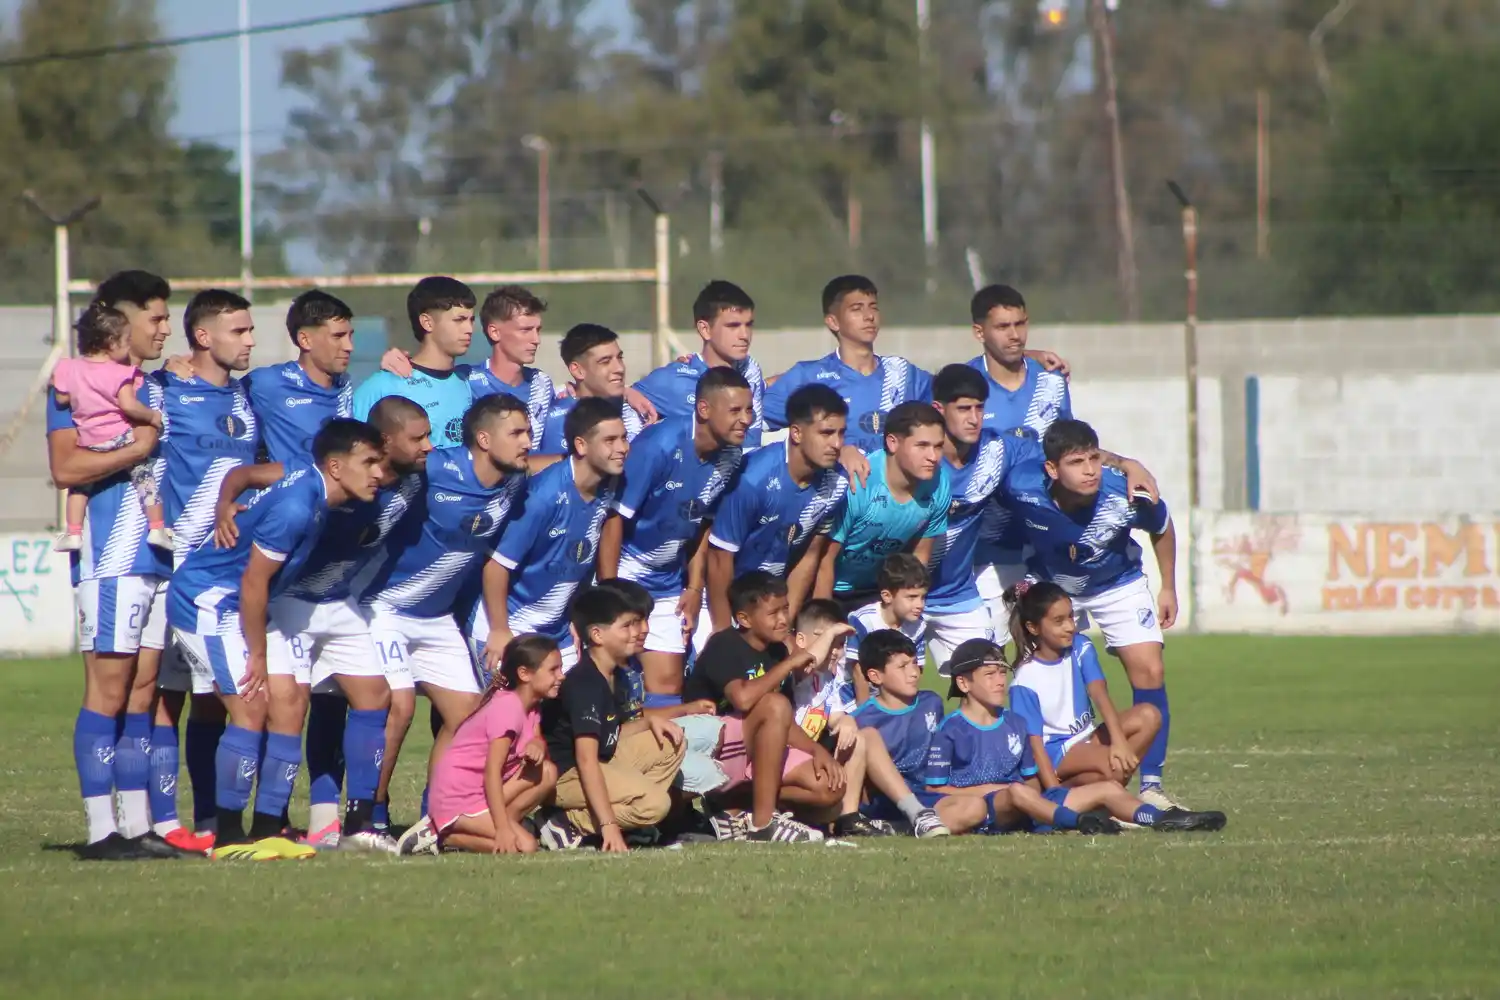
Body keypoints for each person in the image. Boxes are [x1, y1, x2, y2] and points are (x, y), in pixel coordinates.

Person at [214, 396, 435, 850]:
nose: (429, 448)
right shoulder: (318, 480)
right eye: (418, 439)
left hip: (339, 600)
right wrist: (223, 507)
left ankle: (358, 825)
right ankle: (260, 825)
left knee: (378, 696)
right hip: (292, 600)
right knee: (284, 707)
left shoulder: (414, 478)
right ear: (384, 443)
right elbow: (243, 476)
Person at [168, 419, 386, 859]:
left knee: (289, 704)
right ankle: (227, 836)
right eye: (370, 463)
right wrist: (259, 654)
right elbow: (252, 583)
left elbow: (246, 475)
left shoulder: (311, 482)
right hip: (210, 603)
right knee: (251, 707)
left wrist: (226, 504)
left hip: (248, 606)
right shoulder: (297, 508)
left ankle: (269, 827)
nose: (379, 473)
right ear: (336, 466)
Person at [47, 271, 176, 860]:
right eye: (153, 317)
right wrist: (136, 449)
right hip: (111, 559)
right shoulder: (73, 386)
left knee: (144, 691)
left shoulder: (153, 384)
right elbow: (67, 470)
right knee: (109, 689)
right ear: (119, 321)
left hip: (156, 561)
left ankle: (137, 824)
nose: (163, 328)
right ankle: (100, 833)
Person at [360, 394, 531, 814]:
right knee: (398, 707)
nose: (528, 441)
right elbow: (365, 470)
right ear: (485, 439)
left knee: (471, 718)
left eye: (528, 431)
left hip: (436, 620)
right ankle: (369, 814)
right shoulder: (436, 468)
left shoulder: (515, 479)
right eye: (518, 433)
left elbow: (555, 466)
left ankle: (435, 814)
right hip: (385, 609)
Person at [1000, 418, 1183, 809]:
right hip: (1054, 585)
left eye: (1093, 459)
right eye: (1076, 462)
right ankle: (1042, 775)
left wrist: (1167, 585)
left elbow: (1163, 527)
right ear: (1051, 469)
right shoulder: (1022, 484)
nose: (1088, 470)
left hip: (1117, 583)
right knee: (1037, 676)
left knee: (1151, 670)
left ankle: (1151, 785)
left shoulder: (1126, 493)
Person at [143, 289, 260, 848]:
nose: (250, 340)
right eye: (239, 331)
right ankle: (166, 821)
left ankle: (210, 819)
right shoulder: (164, 389)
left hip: (224, 575)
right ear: (204, 336)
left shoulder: (245, 396)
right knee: (168, 696)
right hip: (173, 566)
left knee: (213, 696)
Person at [928, 639, 1225, 833]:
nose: (1000, 681)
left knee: (1108, 787)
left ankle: (1163, 819)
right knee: (1017, 793)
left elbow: (1031, 780)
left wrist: (1035, 793)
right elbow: (936, 792)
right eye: (989, 674)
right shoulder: (949, 730)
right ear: (964, 683)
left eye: (1002, 673)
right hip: (994, 811)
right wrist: (995, 791)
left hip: (1032, 806)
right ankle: (1080, 822)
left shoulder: (1014, 722)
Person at [598, 367, 751, 702]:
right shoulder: (657, 446)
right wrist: (609, 595)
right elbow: (613, 519)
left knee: (668, 685)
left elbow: (701, 525)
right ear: (704, 409)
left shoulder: (731, 457)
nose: (746, 420)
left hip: (668, 581)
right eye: (735, 411)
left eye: (749, 410)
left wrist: (695, 587)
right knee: (611, 678)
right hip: (625, 574)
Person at [682, 572, 849, 843]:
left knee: (829, 789)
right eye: (773, 613)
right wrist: (789, 664)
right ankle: (763, 823)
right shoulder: (723, 644)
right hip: (719, 751)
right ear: (744, 619)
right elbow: (743, 699)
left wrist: (817, 750)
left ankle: (738, 810)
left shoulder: (776, 651)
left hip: (759, 751)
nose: (783, 619)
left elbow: (782, 720)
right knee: (773, 703)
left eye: (785, 609)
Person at [469, 396, 628, 675]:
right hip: (512, 625)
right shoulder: (542, 497)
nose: (623, 448)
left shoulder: (610, 486)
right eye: (610, 440)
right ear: (581, 445)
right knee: (506, 717)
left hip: (558, 630)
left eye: (624, 438)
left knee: (568, 715)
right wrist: (499, 630)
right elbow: (496, 566)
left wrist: (574, 618)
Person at [539, 588, 688, 852]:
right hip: (566, 777)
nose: (637, 632)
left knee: (673, 744)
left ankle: (626, 826)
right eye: (627, 626)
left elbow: (611, 732)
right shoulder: (586, 683)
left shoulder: (613, 674)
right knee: (656, 805)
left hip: (599, 761)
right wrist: (608, 824)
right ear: (597, 635)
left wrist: (649, 723)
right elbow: (585, 759)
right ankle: (567, 821)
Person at [965, 284, 1076, 636]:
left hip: (1046, 545)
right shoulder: (964, 385)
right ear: (979, 332)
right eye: (1003, 327)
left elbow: (1068, 449)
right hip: (987, 551)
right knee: (989, 662)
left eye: (1020, 324)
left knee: (1057, 654)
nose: (1015, 335)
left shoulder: (1051, 382)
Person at [788, 600, 949, 838]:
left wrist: (846, 721)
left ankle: (849, 819)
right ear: (800, 641)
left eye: (841, 645)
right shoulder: (795, 674)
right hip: (789, 761)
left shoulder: (828, 681)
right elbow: (807, 663)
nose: (836, 651)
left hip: (814, 764)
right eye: (829, 642)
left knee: (864, 736)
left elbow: (836, 717)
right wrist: (833, 631)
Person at [706, 384, 849, 630]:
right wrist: (723, 632)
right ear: (796, 433)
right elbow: (720, 558)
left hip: (771, 603)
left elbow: (810, 555)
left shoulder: (837, 483)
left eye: (841, 433)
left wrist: (784, 622)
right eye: (826, 433)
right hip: (717, 600)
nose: (837, 444)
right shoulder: (753, 480)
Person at [1006, 581, 1162, 793]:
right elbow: (1035, 746)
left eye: (1070, 616)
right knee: (1112, 767)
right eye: (1058, 621)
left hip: (1087, 737)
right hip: (1058, 751)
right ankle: (1068, 794)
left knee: (1149, 715)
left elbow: (1100, 693)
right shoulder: (1024, 681)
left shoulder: (1081, 645)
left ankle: (1099, 791)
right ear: (1033, 628)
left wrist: (1119, 742)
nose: (1070, 626)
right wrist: (1055, 798)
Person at [414, 634, 562, 855]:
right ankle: (439, 834)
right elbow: (492, 772)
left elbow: (536, 735)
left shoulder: (531, 704)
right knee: (525, 847)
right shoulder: (508, 710)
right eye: (553, 670)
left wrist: (538, 744)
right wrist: (502, 829)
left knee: (547, 772)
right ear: (524, 674)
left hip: (481, 795)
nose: (561, 676)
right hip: (459, 800)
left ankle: (494, 826)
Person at [762, 275, 931, 455]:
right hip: (834, 483)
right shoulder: (808, 377)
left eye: (873, 307)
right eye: (856, 309)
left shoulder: (903, 373)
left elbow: (955, 400)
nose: (869, 316)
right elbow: (745, 419)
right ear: (833, 322)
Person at [52, 303, 168, 553]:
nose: (129, 347)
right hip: (120, 438)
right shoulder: (120, 373)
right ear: (111, 343)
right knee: (145, 478)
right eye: (126, 341)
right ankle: (157, 527)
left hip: (88, 442)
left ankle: (73, 532)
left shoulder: (69, 367)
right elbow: (129, 406)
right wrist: (152, 416)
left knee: (79, 487)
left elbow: (61, 399)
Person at [851, 630, 988, 836]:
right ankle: (909, 820)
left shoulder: (931, 702)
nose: (914, 672)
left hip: (928, 795)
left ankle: (903, 829)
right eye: (902, 666)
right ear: (875, 676)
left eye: (914, 663)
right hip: (888, 801)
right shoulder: (862, 718)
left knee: (976, 808)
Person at [818, 401, 950, 613]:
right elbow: (824, 559)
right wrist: (823, 619)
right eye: (922, 446)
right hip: (831, 589)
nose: (933, 457)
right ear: (893, 443)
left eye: (938, 446)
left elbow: (919, 556)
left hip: (880, 591)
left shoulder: (939, 483)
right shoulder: (859, 483)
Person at [633, 280, 766, 449]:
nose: (744, 335)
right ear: (705, 329)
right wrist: (627, 392)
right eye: (733, 326)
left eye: (748, 325)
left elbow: (770, 387)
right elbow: (605, 406)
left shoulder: (750, 372)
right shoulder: (674, 379)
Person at [352, 276, 476, 447]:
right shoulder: (383, 386)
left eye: (471, 320)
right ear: (427, 323)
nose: (469, 329)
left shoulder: (472, 380)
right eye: (459, 320)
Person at [244, 290, 355, 464]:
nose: (349, 346)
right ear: (305, 340)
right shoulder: (269, 384)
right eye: (338, 336)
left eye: (350, 336)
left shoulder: (347, 386)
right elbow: (216, 393)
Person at [538, 323, 648, 453]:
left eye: (619, 358)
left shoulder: (639, 406)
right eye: (605, 361)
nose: (619, 368)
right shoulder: (558, 421)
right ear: (578, 370)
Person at [846, 553, 930, 705]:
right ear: (887, 596)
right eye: (911, 597)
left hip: (890, 698)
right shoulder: (863, 620)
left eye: (923, 597)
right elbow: (858, 672)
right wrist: (865, 713)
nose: (920, 604)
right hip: (851, 697)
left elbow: (917, 668)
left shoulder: (919, 625)